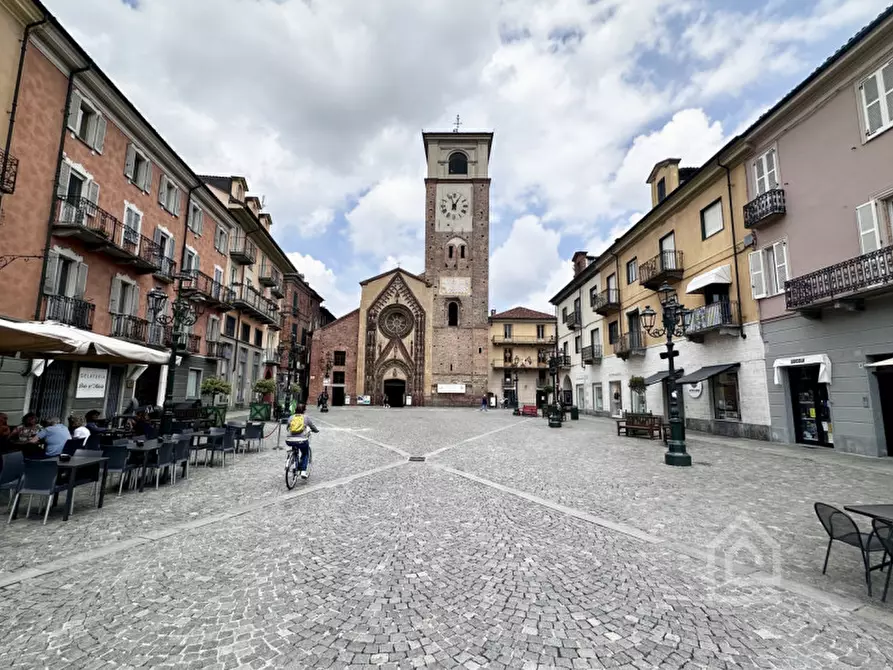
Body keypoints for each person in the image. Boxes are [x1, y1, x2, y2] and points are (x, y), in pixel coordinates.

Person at [286, 404, 319, 479]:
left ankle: (291, 460)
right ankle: (303, 471)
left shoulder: (291, 417)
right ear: (304, 410)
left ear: (295, 410)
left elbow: (288, 427)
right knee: (305, 452)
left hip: (290, 440)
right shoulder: (306, 417)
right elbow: (312, 426)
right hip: (302, 440)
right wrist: (316, 430)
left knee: (293, 447)